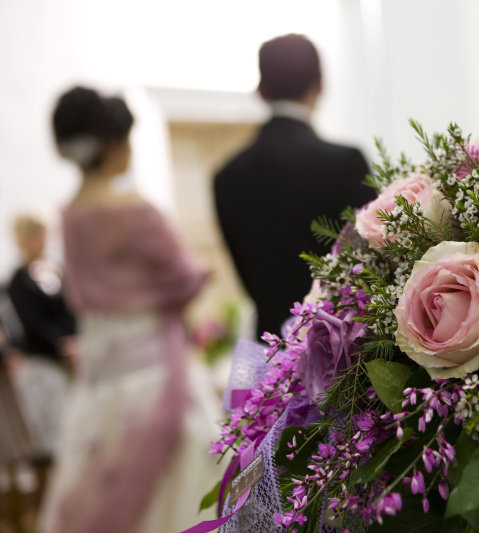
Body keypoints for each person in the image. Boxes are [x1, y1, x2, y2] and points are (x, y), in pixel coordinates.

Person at [38, 86, 222, 533]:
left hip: (101, 376)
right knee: (180, 488)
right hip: (154, 371)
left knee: (98, 478)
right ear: (112, 142)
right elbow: (185, 277)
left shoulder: (68, 215)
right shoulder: (137, 213)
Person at [214, 33, 373, 339]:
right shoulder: (345, 163)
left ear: (260, 90)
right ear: (321, 82)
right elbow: (373, 264)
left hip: (271, 356)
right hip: (344, 352)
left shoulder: (226, 177)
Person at [6, 214, 74, 463]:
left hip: (73, 360)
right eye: (34, 234)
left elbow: (72, 309)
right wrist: (61, 344)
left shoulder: (58, 271)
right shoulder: (18, 281)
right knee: (52, 434)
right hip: (44, 363)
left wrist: (76, 341)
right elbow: (32, 322)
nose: (41, 240)